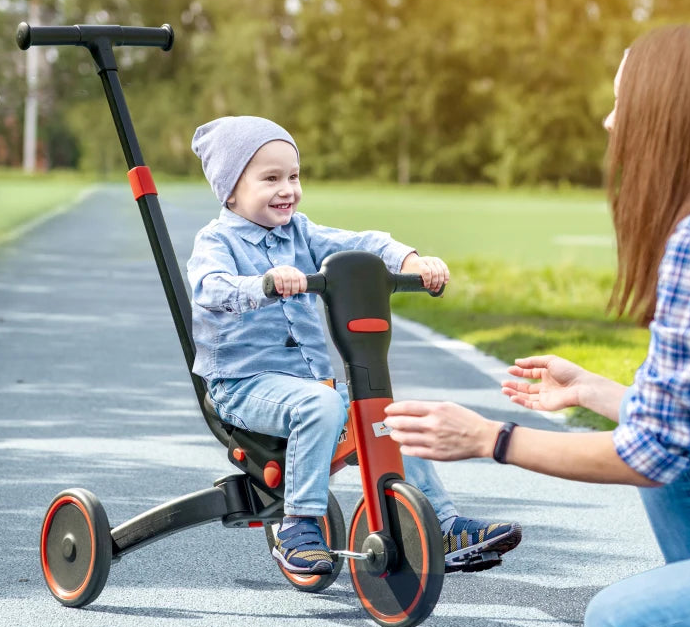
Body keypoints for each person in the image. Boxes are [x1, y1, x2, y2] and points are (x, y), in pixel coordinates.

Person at [382, 25, 690, 627]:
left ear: (668, 112)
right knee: (678, 441)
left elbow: (645, 455)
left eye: (623, 102)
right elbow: (682, 421)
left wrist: (489, 440)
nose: (609, 121)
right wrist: (595, 389)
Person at [186, 114, 522, 577]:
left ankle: (440, 526)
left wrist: (410, 259)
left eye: (293, 176)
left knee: (388, 414)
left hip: (309, 387)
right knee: (321, 404)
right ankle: (298, 524)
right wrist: (261, 284)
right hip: (242, 387)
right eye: (270, 179)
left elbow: (360, 243)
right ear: (230, 191)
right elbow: (210, 287)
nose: (287, 189)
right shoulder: (216, 241)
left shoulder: (299, 233)